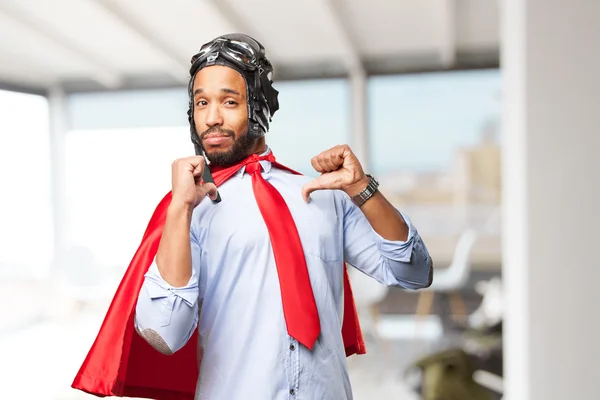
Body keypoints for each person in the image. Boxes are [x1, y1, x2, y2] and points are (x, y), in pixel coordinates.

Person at [72, 33, 433, 400]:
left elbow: (415, 273)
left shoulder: (325, 197)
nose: (212, 118)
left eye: (229, 101)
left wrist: (362, 189)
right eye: (201, 103)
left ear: (258, 104)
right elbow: (164, 333)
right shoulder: (188, 209)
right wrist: (180, 210)